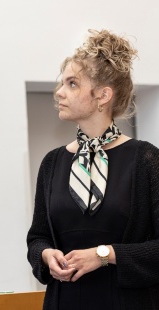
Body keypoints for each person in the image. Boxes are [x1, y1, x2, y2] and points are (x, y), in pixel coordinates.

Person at [26, 29, 159, 309]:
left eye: (72, 84)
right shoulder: (52, 163)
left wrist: (104, 254)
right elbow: (37, 237)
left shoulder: (146, 159)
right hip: (65, 302)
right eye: (62, 83)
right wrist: (46, 255)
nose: (59, 92)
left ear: (103, 95)